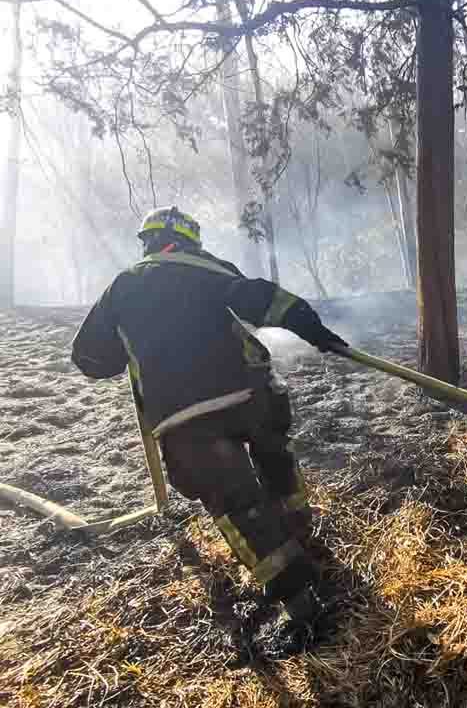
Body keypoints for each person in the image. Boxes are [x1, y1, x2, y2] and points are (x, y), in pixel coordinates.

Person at [71, 206, 347, 625]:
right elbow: (261, 298)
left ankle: (299, 601)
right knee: (274, 450)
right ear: (189, 241)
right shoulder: (208, 267)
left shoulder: (121, 287)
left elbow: (89, 358)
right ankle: (298, 524)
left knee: (233, 499)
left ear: (148, 242)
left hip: (182, 417)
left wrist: (130, 345)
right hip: (252, 393)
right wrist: (311, 326)